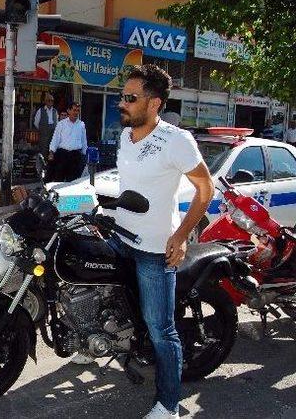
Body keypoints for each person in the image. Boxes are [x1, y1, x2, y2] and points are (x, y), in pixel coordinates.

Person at [99, 64, 213, 419]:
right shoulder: (125, 136)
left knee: (161, 330)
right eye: (122, 96)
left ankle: (169, 405)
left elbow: (205, 189)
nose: (122, 103)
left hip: (154, 250)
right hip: (121, 238)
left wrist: (180, 236)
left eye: (131, 98)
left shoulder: (176, 141)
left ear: (155, 104)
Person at [48, 101, 88, 182]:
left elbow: (84, 141)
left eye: (77, 110)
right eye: (74, 110)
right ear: (68, 111)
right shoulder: (61, 124)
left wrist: (85, 155)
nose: (76, 112)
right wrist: (51, 152)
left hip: (75, 156)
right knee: (59, 179)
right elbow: (55, 139)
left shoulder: (81, 125)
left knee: (73, 181)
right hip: (62, 155)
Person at [33, 93, 58, 158]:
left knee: (52, 152)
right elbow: (36, 123)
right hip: (44, 135)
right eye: (49, 100)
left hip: (52, 136)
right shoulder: (40, 111)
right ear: (45, 101)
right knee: (43, 153)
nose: (50, 102)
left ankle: (51, 167)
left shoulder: (55, 111)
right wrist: (43, 129)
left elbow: (57, 123)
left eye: (52, 100)